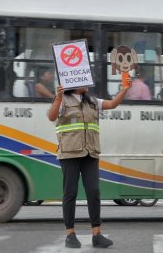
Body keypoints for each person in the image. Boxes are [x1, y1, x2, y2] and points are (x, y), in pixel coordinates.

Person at [47, 80, 131, 249]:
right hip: (69, 153)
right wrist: (58, 97)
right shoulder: (63, 99)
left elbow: (112, 104)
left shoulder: (92, 101)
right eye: (82, 80)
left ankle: (97, 234)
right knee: (70, 193)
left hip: (90, 153)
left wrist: (124, 90)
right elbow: (51, 116)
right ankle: (70, 234)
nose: (87, 84)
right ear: (73, 83)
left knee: (94, 191)